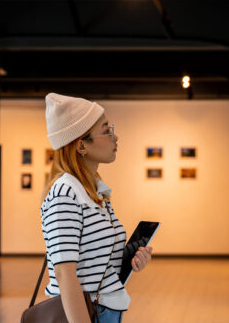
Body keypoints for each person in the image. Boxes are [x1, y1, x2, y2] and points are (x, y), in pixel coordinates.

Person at [40, 92, 153, 323]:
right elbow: (64, 273)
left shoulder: (95, 191)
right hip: (85, 313)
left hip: (105, 310)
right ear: (81, 145)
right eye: (106, 130)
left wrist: (129, 261)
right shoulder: (65, 192)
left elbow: (93, 261)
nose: (116, 136)